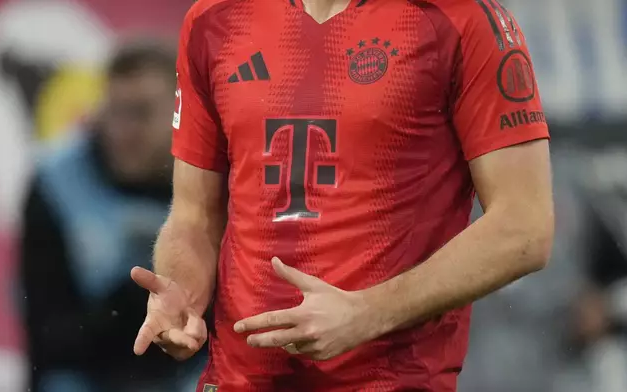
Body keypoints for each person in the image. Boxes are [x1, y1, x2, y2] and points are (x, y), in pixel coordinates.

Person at [131, 0, 554, 391]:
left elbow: (524, 228)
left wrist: (369, 313)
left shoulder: (461, 18)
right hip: (237, 379)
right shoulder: (215, 18)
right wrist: (183, 294)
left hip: (391, 380)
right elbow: (194, 216)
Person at [18, 39, 204, 392]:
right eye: (114, 112)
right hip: (88, 375)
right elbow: (45, 340)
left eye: (140, 113)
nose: (122, 132)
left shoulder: (216, 182)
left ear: (183, 113)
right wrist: (127, 311)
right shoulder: (55, 185)